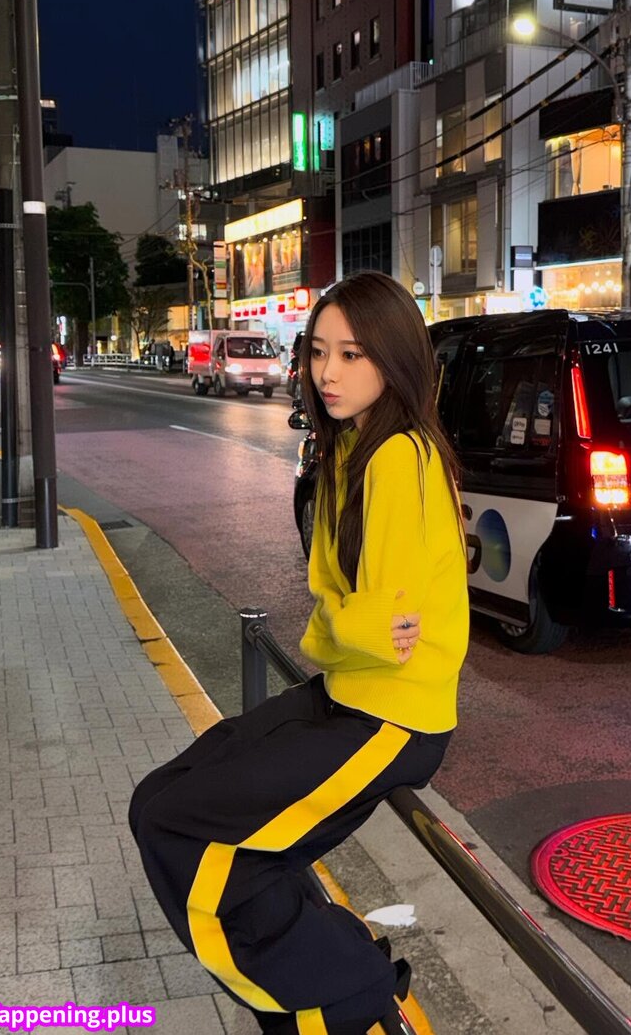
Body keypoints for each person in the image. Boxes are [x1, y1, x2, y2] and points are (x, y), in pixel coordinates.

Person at [129, 271, 469, 1035]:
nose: (327, 372)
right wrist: (339, 628)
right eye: (318, 352)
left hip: (393, 718)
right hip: (347, 692)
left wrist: (336, 628)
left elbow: (382, 628)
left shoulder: (400, 456)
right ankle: (323, 989)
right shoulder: (349, 447)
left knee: (182, 827)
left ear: (396, 359)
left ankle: (349, 987)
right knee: (157, 801)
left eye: (352, 354)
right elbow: (339, 612)